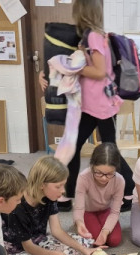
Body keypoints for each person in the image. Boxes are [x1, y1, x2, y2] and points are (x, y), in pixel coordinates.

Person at [39, 0, 135, 213]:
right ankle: (66, 195)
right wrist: (50, 71)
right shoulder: (92, 35)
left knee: (105, 150)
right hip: (93, 104)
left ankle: (128, 190)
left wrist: (72, 68)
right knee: (75, 147)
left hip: (100, 105)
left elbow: (100, 72)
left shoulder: (93, 36)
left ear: (81, 11)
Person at [2, 156, 96, 255]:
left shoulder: (50, 198)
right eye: (58, 186)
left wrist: (84, 250)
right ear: (42, 185)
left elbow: (57, 231)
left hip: (38, 239)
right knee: (57, 254)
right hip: (16, 246)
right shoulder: (18, 206)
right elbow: (28, 247)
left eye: (63, 185)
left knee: (83, 243)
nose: (63, 191)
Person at [74, 142, 124, 247]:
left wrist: (105, 231)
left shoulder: (119, 180)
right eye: (99, 172)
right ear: (92, 166)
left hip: (106, 210)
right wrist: (79, 222)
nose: (104, 178)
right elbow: (78, 208)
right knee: (94, 238)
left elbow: (115, 212)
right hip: (87, 211)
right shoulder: (83, 177)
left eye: (109, 174)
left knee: (114, 240)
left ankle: (101, 226)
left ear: (115, 169)